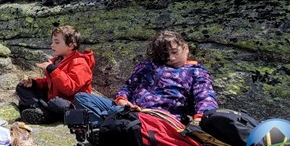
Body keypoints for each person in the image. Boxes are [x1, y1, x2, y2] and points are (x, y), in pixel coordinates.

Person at [74, 30, 218, 127]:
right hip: (130, 110)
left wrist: (202, 118)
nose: (171, 58)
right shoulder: (147, 66)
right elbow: (128, 87)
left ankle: (111, 125)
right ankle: (115, 124)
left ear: (185, 48)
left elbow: (205, 97)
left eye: (175, 52)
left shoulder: (196, 72)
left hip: (158, 119)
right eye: (165, 55)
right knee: (82, 98)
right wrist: (122, 100)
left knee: (80, 117)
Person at [16, 25, 95, 124]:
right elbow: (51, 83)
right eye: (52, 41)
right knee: (22, 88)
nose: (52, 45)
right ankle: (40, 109)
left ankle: (44, 114)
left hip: (71, 104)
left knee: (56, 103)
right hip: (54, 97)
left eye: (57, 42)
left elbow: (69, 88)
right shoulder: (58, 60)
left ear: (71, 45)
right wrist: (35, 83)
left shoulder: (80, 63)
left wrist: (52, 70)